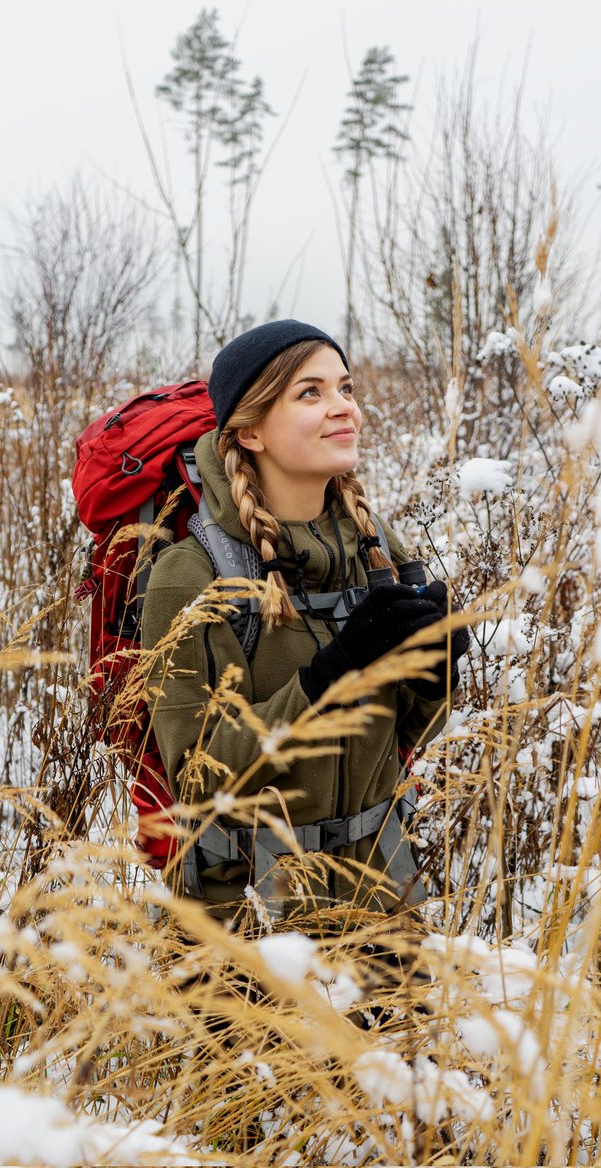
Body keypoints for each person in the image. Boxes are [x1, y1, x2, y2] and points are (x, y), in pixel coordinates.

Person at [142, 320, 468, 924]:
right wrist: (324, 682)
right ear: (251, 431)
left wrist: (436, 676)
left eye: (345, 388)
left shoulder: (379, 551)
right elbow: (195, 781)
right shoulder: (194, 575)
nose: (343, 408)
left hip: (382, 901)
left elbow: (402, 744)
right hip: (252, 920)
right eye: (310, 393)